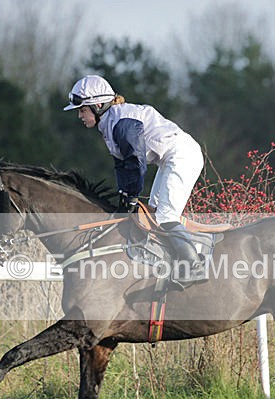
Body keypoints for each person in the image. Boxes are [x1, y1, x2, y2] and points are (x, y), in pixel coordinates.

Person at [64, 74, 206, 282]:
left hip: (182, 155)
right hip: (170, 158)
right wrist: (124, 198)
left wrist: (131, 196)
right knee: (154, 214)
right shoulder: (110, 123)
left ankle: (195, 267)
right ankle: (168, 262)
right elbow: (121, 166)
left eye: (82, 110)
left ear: (99, 105)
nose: (80, 116)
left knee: (166, 216)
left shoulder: (122, 124)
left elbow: (135, 162)